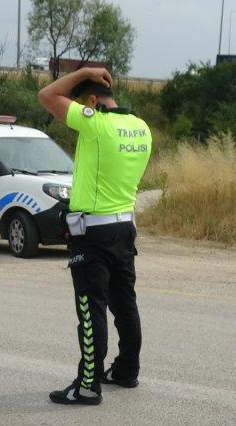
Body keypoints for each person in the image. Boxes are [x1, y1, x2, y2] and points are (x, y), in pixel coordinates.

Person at [38, 66, 152, 406]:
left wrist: (85, 71)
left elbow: (46, 96)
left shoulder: (95, 123)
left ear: (90, 101)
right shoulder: (141, 128)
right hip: (124, 229)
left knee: (91, 308)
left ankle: (88, 383)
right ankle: (126, 370)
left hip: (93, 232)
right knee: (125, 305)